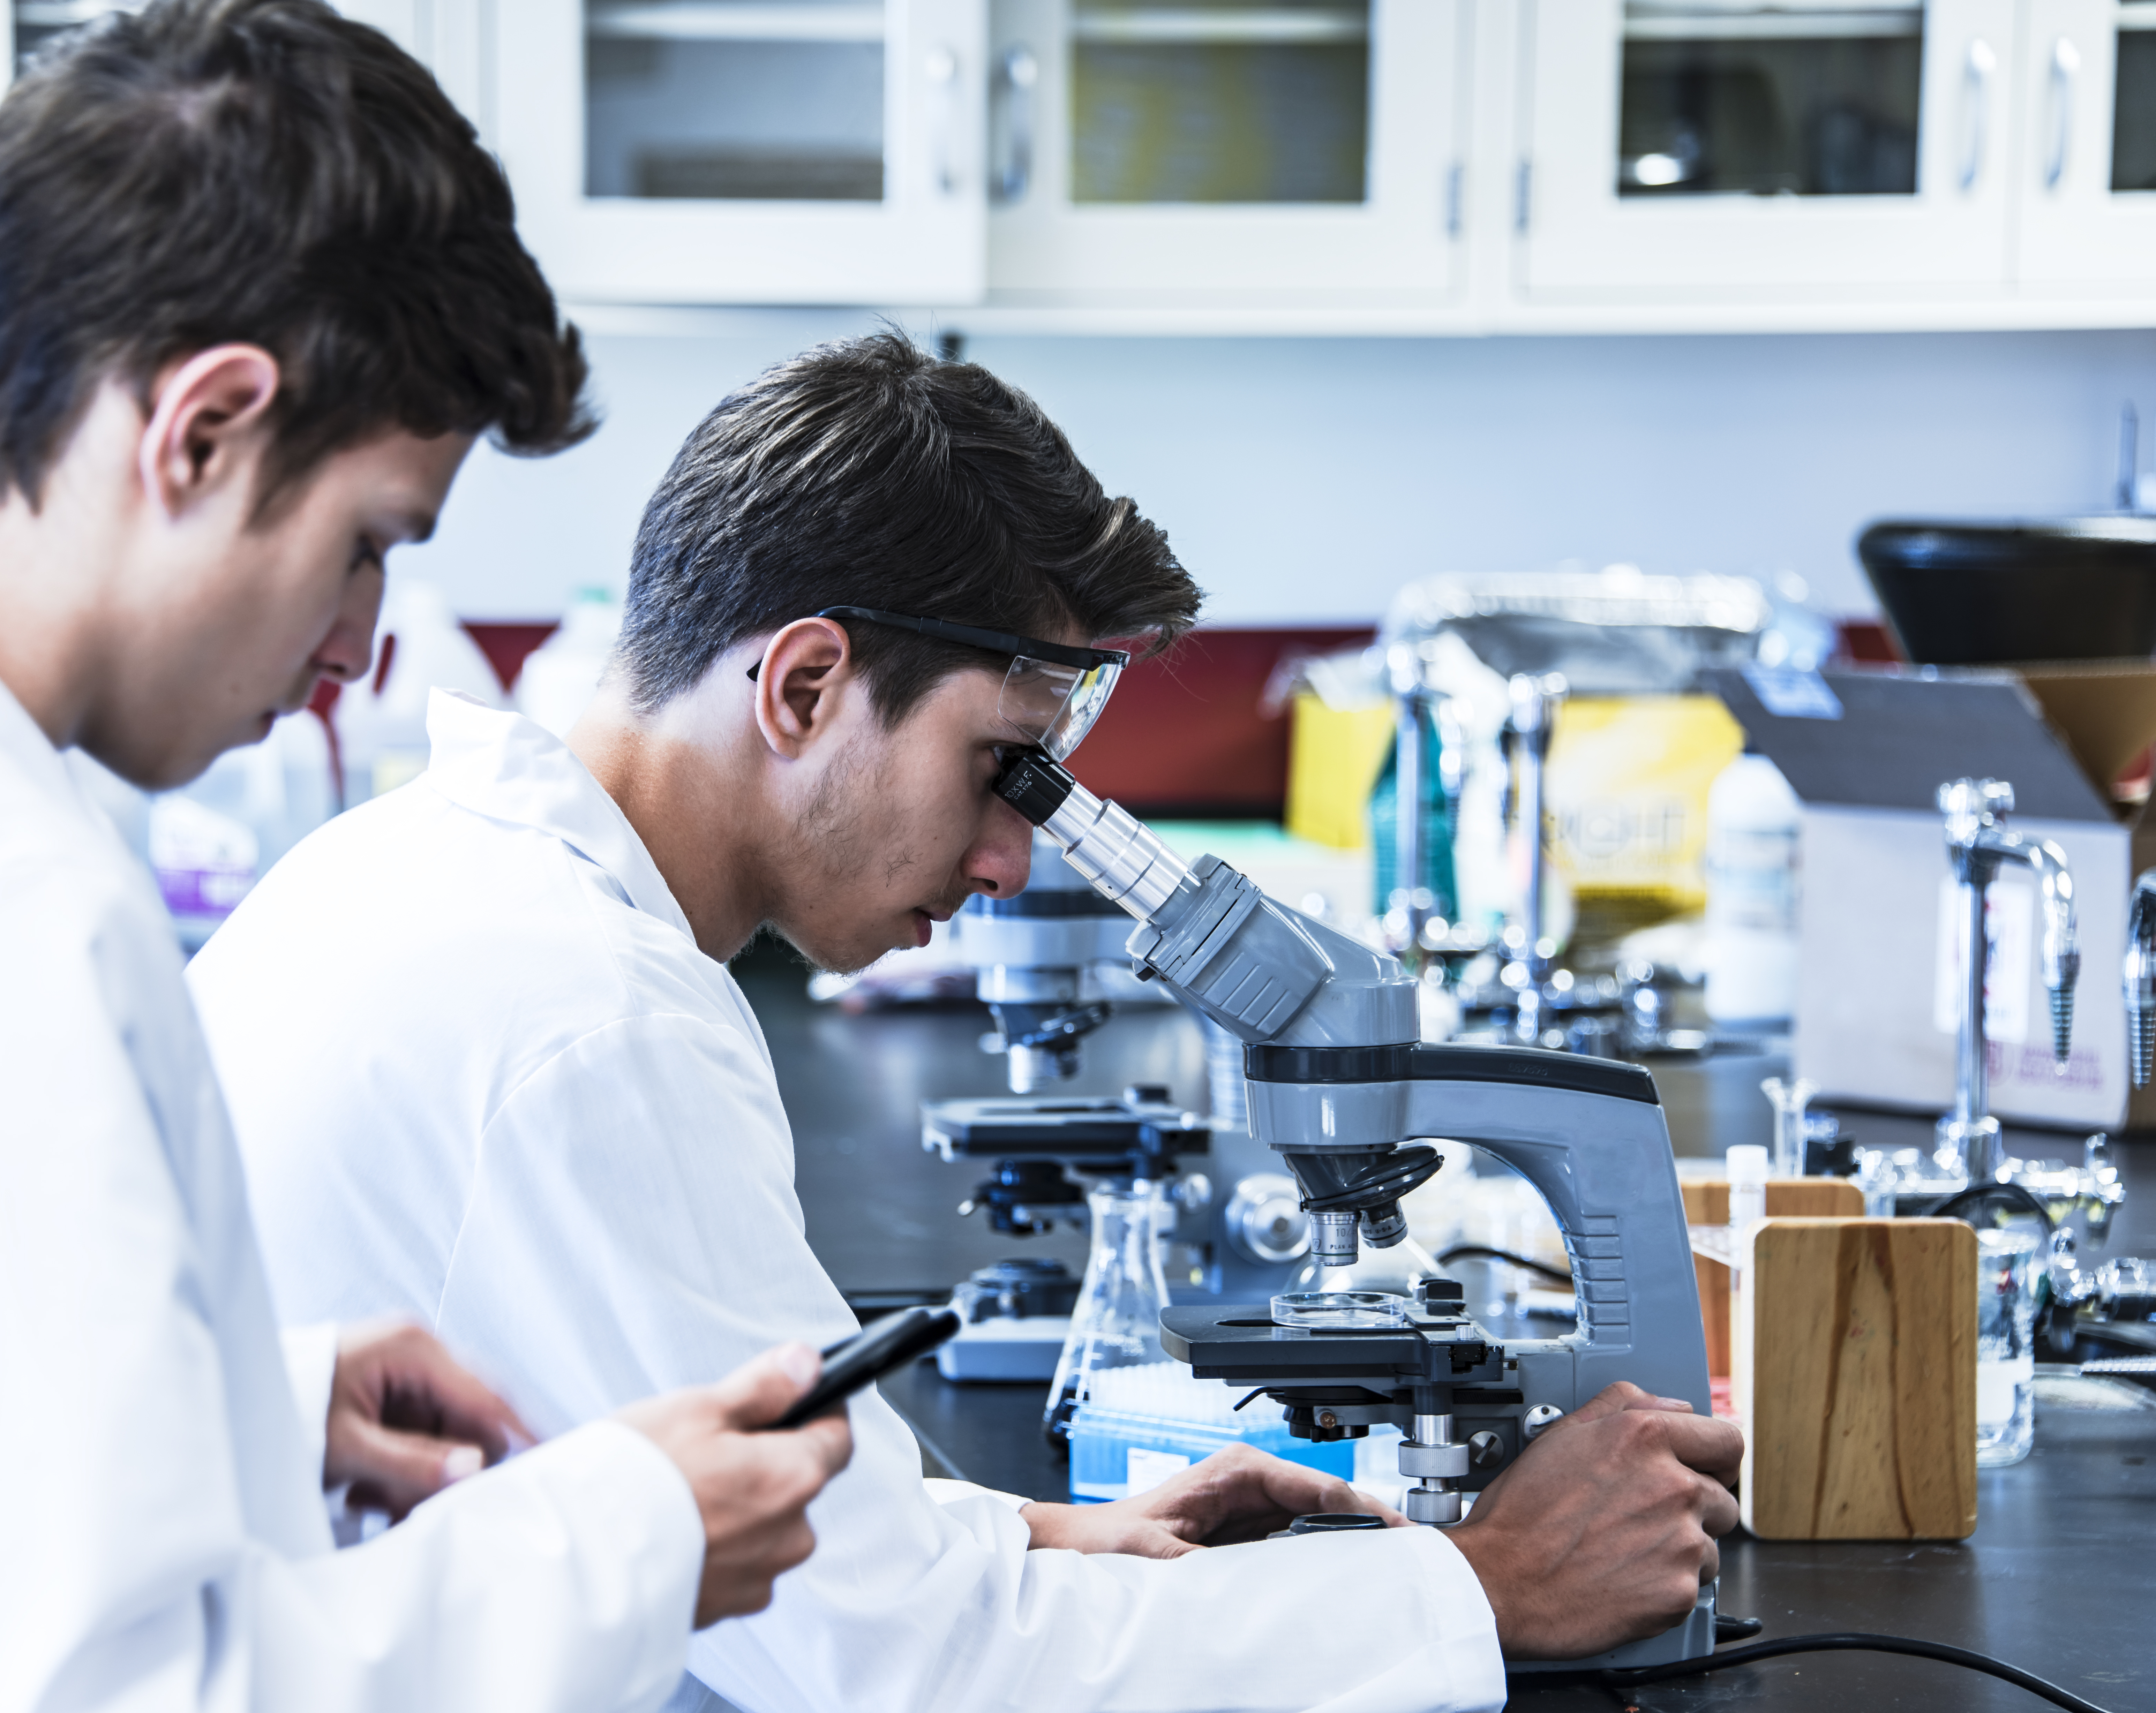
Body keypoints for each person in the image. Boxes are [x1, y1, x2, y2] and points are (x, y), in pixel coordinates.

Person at [187, 332, 1746, 1713]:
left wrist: (1030, 1533)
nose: (1010, 862)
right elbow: (918, 1672)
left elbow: (656, 1488)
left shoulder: (432, 881)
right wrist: (1484, 1587)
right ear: (803, 685)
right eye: (1001, 766)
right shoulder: (590, 1022)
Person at [0, 4, 851, 1709]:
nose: (354, 649)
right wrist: (630, 1537)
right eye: (363, 548)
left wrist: (237, 1401)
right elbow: (107, 1693)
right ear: (200, 430)